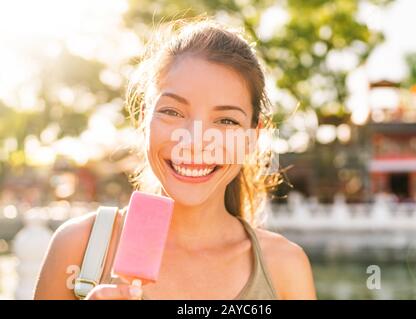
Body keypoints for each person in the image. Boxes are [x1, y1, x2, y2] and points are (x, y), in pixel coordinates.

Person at [34, 17, 316, 300]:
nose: (194, 142)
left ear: (253, 137)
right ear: (144, 117)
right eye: (172, 112)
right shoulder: (78, 247)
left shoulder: (285, 268)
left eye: (226, 120)